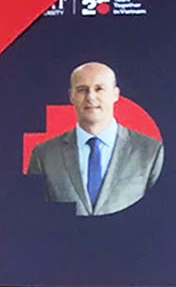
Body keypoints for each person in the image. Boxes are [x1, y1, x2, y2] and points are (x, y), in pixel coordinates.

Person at [26, 62, 164, 215]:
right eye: (82, 89)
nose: (90, 97)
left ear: (115, 94)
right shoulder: (44, 155)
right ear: (71, 96)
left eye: (99, 89)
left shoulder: (151, 152)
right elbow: (34, 214)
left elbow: (157, 213)